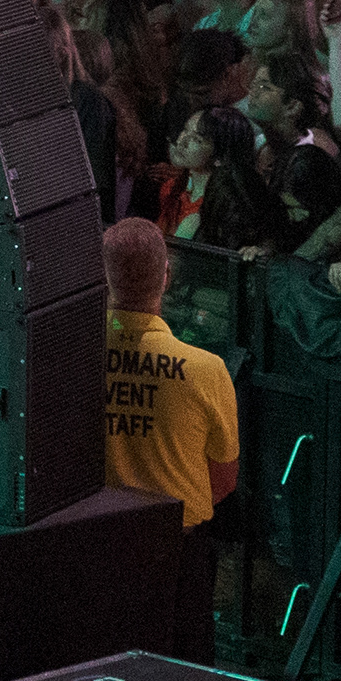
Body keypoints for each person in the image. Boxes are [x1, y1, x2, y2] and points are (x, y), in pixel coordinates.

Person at [102, 217, 240, 647]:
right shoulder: (206, 369)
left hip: (92, 544)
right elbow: (224, 480)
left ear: (101, 276)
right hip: (176, 551)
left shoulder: (69, 355)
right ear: (166, 276)